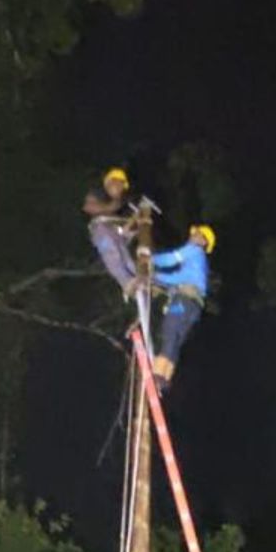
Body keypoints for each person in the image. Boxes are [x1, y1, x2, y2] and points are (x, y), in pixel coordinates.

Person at [150, 224, 215, 393]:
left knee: (170, 331)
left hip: (183, 302)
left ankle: (157, 373)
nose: (191, 237)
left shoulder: (194, 250)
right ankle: (165, 377)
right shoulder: (200, 264)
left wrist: (150, 259)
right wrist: (158, 280)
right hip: (193, 307)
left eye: (196, 234)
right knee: (176, 340)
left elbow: (172, 259)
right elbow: (179, 279)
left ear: (203, 240)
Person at [83, 167, 138, 297]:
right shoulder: (100, 193)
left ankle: (143, 283)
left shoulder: (122, 203)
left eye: (122, 186)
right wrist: (108, 207)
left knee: (128, 261)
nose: (121, 188)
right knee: (112, 254)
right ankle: (126, 282)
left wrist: (135, 223)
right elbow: (88, 207)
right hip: (101, 228)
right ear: (109, 182)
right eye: (118, 184)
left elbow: (124, 229)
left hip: (117, 233)